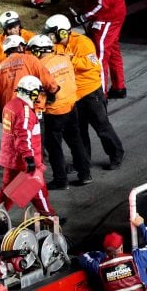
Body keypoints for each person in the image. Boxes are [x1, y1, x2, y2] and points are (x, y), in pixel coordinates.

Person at [43, 14, 124, 170]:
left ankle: (116, 154)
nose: (50, 36)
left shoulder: (83, 42)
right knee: (79, 132)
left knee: (102, 126)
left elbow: (92, 64)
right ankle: (82, 161)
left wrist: (69, 60)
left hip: (90, 93)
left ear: (62, 33)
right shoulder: (56, 47)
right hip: (74, 95)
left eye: (52, 33)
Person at [27, 34, 92, 189]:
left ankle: (61, 180)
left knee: (54, 146)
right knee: (76, 141)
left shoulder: (40, 67)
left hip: (54, 111)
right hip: (71, 105)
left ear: (38, 50)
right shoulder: (64, 58)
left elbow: (44, 90)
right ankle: (85, 174)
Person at [0, 75, 57, 218]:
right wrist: (29, 158)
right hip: (23, 159)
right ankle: (49, 217)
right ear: (31, 93)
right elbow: (23, 136)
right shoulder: (25, 111)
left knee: (6, 191)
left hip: (10, 157)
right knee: (38, 188)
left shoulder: (11, 105)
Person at [73, 0, 127, 99]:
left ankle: (101, 96)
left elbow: (102, 5)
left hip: (107, 18)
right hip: (116, 13)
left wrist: (84, 16)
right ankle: (119, 87)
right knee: (113, 50)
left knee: (100, 56)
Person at [0, 34, 58, 118]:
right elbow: (48, 81)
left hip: (11, 113)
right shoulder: (31, 59)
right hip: (33, 110)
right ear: (20, 47)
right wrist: (53, 92)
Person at [78, 215, 147, 291]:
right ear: (121, 246)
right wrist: (141, 225)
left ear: (106, 251)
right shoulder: (137, 258)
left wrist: (101, 255)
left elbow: (82, 258)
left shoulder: (99, 267)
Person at [0, 11, 35, 100]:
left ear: (19, 25)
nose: (13, 31)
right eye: (9, 28)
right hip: (8, 80)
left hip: (30, 79)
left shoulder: (31, 37)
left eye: (15, 27)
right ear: (5, 30)